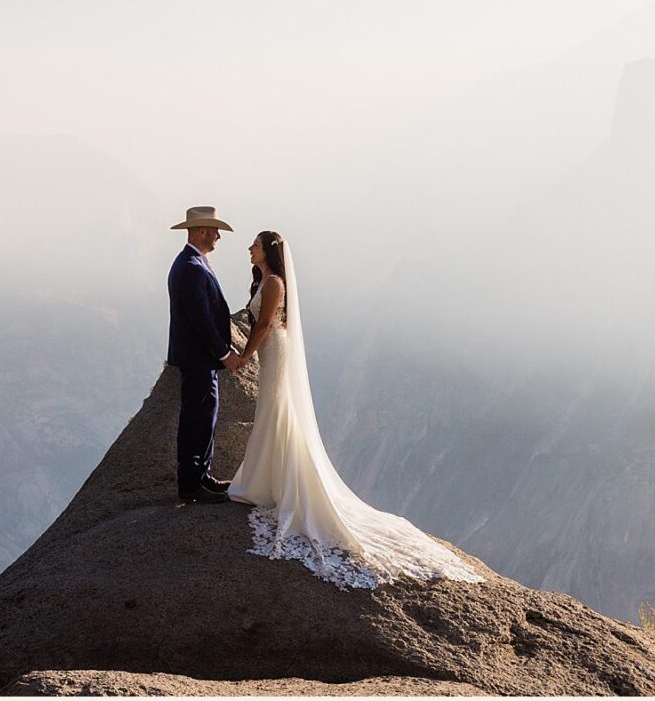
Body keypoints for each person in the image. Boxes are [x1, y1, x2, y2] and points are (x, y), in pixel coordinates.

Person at [226, 231, 483, 588]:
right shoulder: (265, 281)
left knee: (277, 412)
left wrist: (245, 355)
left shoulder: (273, 283)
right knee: (274, 413)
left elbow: (267, 324)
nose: (249, 249)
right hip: (272, 351)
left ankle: (272, 483)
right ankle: (268, 480)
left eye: (254, 244)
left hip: (274, 349)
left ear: (268, 251)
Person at [166, 206, 244, 504]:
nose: (218, 236)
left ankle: (202, 475)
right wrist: (224, 353)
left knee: (206, 413)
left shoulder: (195, 263)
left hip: (201, 359)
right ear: (200, 231)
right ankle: (190, 483)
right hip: (197, 358)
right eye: (214, 230)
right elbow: (201, 319)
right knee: (195, 417)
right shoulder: (190, 267)